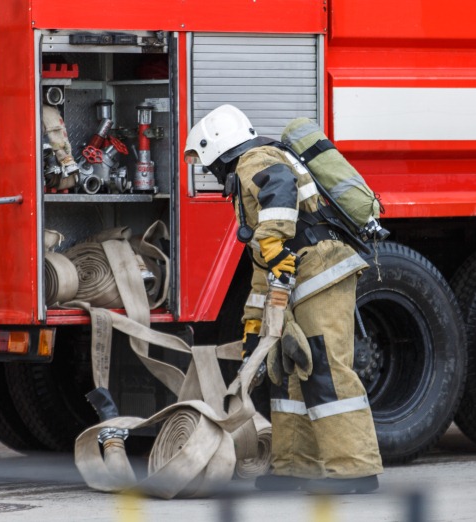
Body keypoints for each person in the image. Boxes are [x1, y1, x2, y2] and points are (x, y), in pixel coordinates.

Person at [183, 105, 383, 494]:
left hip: (321, 273)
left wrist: (272, 238)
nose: (208, 172)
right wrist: (255, 327)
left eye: (205, 162)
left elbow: (280, 191)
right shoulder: (251, 174)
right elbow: (264, 262)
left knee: (325, 365)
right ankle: (295, 468)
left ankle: (356, 470)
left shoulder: (255, 160)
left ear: (217, 148)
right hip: (302, 278)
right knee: (288, 370)